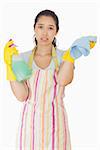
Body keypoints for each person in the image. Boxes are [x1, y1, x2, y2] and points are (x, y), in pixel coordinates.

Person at [4, 9, 76, 150]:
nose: (44, 33)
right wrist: (9, 66)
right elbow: (22, 96)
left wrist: (71, 57)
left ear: (56, 32)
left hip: (57, 126)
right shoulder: (23, 58)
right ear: (34, 29)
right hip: (30, 128)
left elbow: (63, 81)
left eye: (50, 28)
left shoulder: (64, 56)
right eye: (40, 27)